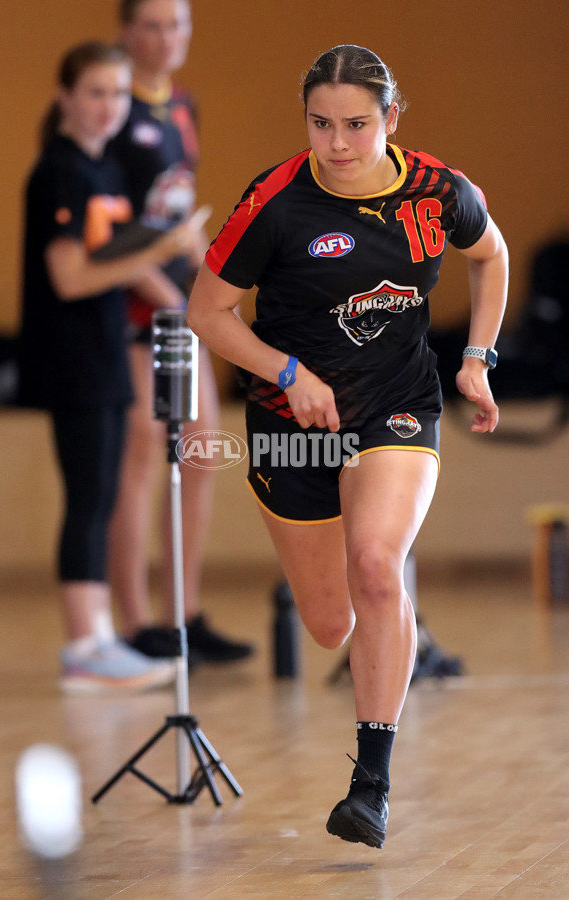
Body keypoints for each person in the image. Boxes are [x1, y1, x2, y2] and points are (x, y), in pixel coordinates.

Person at [187, 44, 508, 847]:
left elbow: (491, 254)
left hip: (397, 404)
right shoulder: (274, 201)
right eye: (321, 124)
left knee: (376, 562)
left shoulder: (439, 190)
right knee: (329, 624)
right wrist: (286, 369)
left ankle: (372, 784)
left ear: (392, 120)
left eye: (356, 125)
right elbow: (208, 312)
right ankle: (344, 593)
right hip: (290, 423)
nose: (336, 144)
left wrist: (476, 359)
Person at [17, 41, 203, 692]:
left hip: (101, 350)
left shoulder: (100, 171)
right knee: (89, 497)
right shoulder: (60, 172)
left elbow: (115, 260)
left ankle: (95, 639)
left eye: (119, 95)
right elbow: (69, 278)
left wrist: (173, 274)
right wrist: (165, 249)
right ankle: (86, 642)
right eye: (95, 92)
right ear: (66, 98)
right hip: (72, 355)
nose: (108, 107)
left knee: (97, 494)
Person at [108, 0, 254, 665]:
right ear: (127, 31)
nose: (170, 38)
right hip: (131, 310)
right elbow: (108, 232)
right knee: (141, 453)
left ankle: (183, 616)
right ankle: (135, 623)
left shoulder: (184, 107)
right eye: (155, 25)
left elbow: (180, 215)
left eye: (180, 24)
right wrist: (171, 296)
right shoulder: (113, 109)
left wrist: (214, 280)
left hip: (180, 306)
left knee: (200, 450)